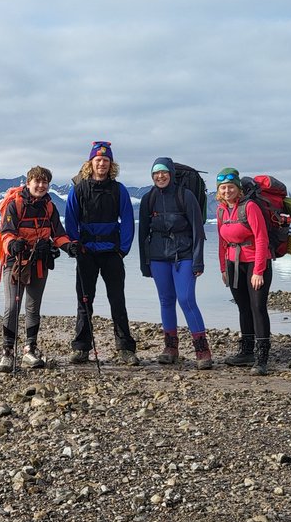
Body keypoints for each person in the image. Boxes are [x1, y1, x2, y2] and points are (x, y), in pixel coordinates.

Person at [0, 166, 79, 372]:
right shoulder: (15, 205)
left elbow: (57, 234)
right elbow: (6, 233)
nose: (41, 186)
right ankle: (7, 352)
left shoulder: (49, 207)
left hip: (39, 262)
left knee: (33, 307)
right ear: (29, 182)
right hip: (15, 262)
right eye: (37, 181)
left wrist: (68, 246)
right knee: (12, 307)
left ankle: (29, 349)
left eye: (45, 182)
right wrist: (14, 244)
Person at [64, 141, 138, 365]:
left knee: (117, 300)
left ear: (110, 164)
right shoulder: (78, 189)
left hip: (112, 253)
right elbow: (70, 219)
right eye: (98, 160)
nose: (102, 164)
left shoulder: (119, 190)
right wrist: (75, 245)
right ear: (91, 163)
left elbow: (127, 221)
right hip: (86, 252)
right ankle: (81, 348)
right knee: (84, 301)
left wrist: (123, 250)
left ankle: (125, 348)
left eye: (106, 161)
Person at [138, 157, 210, 368]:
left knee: (186, 299)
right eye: (156, 173)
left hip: (184, 255)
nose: (160, 176)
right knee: (166, 300)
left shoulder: (185, 196)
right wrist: (145, 263)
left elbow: (198, 230)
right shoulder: (148, 199)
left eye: (164, 172)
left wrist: (198, 262)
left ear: (171, 173)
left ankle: (202, 350)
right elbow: (143, 233)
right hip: (158, 257)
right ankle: (170, 348)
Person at [215, 167, 273, 375]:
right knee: (242, 306)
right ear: (219, 191)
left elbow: (261, 238)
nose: (227, 191)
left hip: (254, 263)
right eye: (223, 188)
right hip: (233, 263)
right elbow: (222, 241)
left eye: (230, 187)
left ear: (238, 188)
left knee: (257, 307)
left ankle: (261, 357)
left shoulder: (250, 207)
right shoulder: (221, 210)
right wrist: (223, 268)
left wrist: (259, 270)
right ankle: (246, 351)